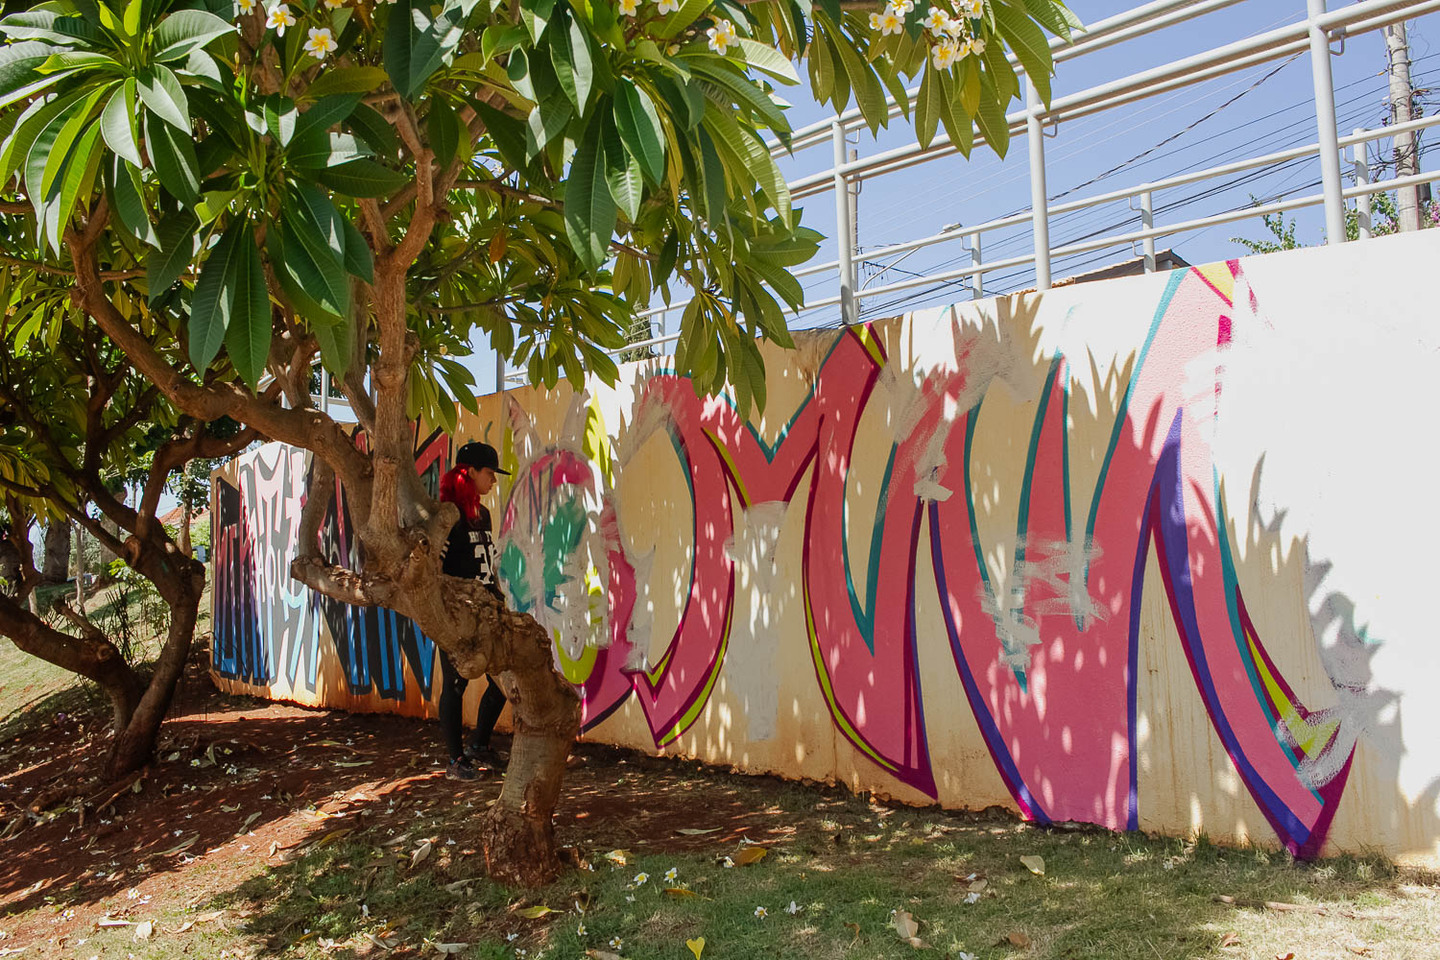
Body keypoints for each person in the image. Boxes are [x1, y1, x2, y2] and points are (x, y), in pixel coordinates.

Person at [437, 441, 510, 781]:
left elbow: (486, 564)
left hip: (487, 609)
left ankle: (479, 744)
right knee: (455, 686)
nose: (493, 481)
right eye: (490, 473)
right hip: (456, 614)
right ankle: (454, 762)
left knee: (504, 678)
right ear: (470, 473)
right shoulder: (446, 516)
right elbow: (436, 570)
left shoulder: (483, 515)